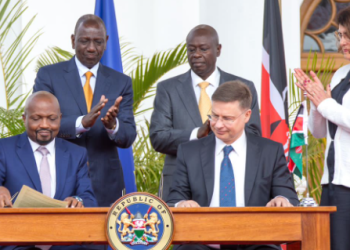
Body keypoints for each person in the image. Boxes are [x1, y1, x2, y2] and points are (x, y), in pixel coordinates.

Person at [167, 81, 298, 250]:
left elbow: (288, 196)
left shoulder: (270, 151)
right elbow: (174, 200)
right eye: (214, 116)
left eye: (227, 118)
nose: (218, 124)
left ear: (247, 115)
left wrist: (282, 200)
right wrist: (181, 204)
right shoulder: (189, 151)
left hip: (256, 242)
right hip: (201, 242)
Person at [33, 15, 136, 207]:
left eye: (97, 42)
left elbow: (128, 135)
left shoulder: (121, 82)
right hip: (62, 178)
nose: (91, 48)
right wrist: (81, 123)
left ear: (106, 43)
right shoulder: (49, 76)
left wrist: (113, 126)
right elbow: (39, 124)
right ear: (73, 41)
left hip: (106, 183)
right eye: (84, 41)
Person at [150, 25, 261, 201]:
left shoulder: (243, 87)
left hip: (231, 175)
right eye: (191, 49)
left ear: (218, 50)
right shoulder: (168, 89)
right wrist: (196, 134)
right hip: (180, 185)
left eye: (203, 49)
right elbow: (158, 137)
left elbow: (253, 133)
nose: (196, 54)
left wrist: (220, 134)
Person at [0, 91, 97, 250]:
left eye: (51, 119)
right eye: (36, 118)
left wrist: (78, 201)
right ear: (25, 119)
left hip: (64, 244)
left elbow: (89, 198)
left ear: (60, 118)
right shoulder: (3, 148)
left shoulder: (76, 154)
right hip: (18, 243)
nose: (44, 124)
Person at [294, 7, 350, 250]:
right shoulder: (340, 75)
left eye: (348, 35)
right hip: (333, 182)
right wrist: (315, 103)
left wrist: (324, 102)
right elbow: (319, 132)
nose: (342, 42)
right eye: (340, 35)